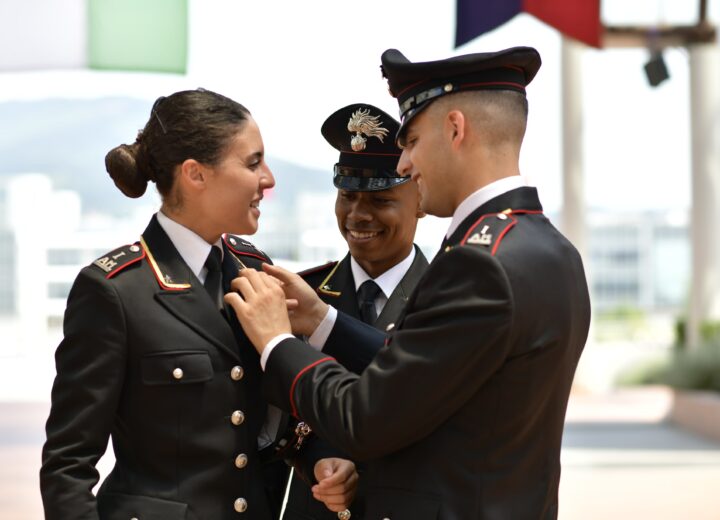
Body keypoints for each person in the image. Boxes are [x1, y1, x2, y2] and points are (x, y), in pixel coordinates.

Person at [225, 47, 592, 519]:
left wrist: (276, 339)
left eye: (412, 141)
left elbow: (365, 416)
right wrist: (322, 320)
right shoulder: (550, 250)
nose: (403, 164)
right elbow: (434, 374)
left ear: (455, 129)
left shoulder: (478, 265)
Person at [39, 88, 356, 520]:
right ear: (195, 174)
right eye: (252, 162)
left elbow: (276, 419)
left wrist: (318, 455)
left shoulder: (254, 270)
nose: (268, 179)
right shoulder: (114, 290)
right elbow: (67, 465)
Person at [283, 103, 428, 520]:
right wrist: (319, 459)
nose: (358, 215)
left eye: (381, 199)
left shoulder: (449, 295)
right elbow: (273, 413)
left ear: (420, 198)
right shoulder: (303, 293)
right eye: (347, 195)